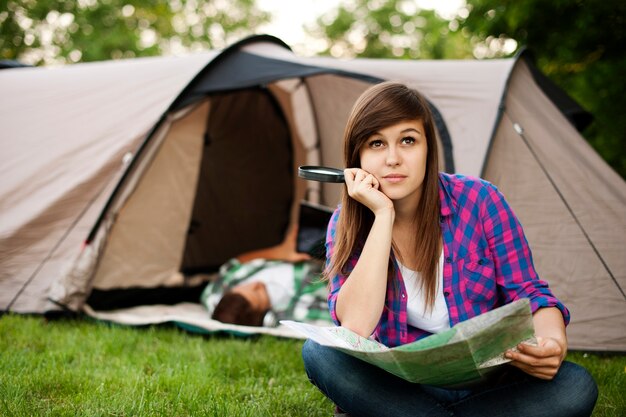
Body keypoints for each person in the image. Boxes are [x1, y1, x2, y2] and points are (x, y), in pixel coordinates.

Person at [301, 81, 598, 417]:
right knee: (320, 353)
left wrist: (552, 342)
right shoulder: (346, 222)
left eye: (408, 140)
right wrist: (382, 214)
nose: (393, 158)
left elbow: (530, 293)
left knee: (575, 386)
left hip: (488, 380)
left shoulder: (481, 201)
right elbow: (354, 326)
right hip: (401, 384)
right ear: (357, 157)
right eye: (377, 143)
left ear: (428, 148)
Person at [201, 227, 332, 327]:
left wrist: (280, 252)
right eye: (257, 293)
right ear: (266, 314)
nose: (257, 284)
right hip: (326, 253)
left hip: (298, 241)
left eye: (245, 286)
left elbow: (233, 264)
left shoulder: (215, 295)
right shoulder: (300, 309)